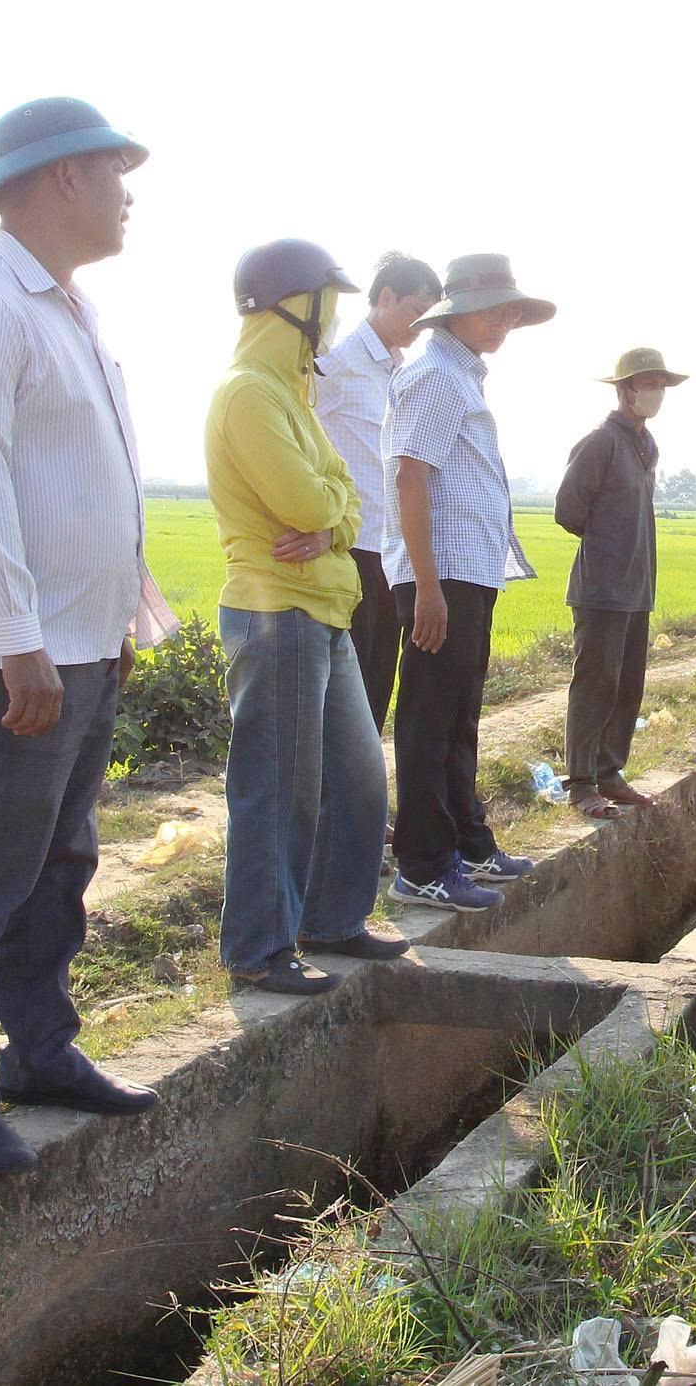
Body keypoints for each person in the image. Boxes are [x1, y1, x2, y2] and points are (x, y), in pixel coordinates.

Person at [0, 97, 177, 1176]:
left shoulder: (70, 314)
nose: (128, 194)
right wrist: (17, 640)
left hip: (75, 643)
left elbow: (83, 486)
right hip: (3, 657)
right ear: (62, 177)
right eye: (116, 171)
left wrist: (114, 618)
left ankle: (42, 1054)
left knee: (58, 866)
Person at [205, 239, 412, 998]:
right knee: (279, 786)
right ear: (295, 304)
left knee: (357, 778)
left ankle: (329, 918)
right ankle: (261, 946)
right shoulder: (249, 395)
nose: (332, 319)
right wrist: (332, 512)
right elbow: (310, 499)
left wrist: (331, 518)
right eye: (327, 301)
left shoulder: (294, 393)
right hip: (274, 612)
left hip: (323, 606)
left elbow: (350, 498)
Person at [383, 254, 553, 911]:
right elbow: (411, 478)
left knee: (459, 718)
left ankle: (469, 845)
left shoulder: (460, 377)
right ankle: (423, 864)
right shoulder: (435, 378)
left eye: (515, 309)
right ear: (458, 310)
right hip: (442, 575)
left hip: (468, 573)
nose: (509, 319)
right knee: (430, 720)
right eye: (498, 307)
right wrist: (425, 586)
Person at [552, 347, 687, 818]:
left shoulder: (645, 446)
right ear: (625, 390)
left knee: (627, 685)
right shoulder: (601, 443)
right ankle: (581, 783)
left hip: (636, 588)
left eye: (660, 386)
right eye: (647, 384)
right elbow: (568, 509)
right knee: (595, 684)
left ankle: (609, 773)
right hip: (601, 589)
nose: (656, 393)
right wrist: (607, 546)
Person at [320, 252, 441, 731]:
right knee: (345, 693)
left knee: (375, 688)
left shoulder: (402, 374)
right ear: (384, 297)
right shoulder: (336, 365)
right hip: (351, 550)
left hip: (391, 554)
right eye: (414, 310)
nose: (418, 325)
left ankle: (358, 798)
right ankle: (335, 801)